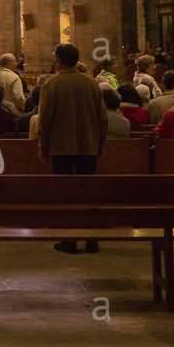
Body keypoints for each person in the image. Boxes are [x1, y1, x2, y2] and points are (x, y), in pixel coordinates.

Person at [38, 44, 106, 253]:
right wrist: (100, 143)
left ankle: (69, 239)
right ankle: (92, 238)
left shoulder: (52, 84)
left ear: (58, 60)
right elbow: (102, 118)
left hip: (61, 145)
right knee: (88, 193)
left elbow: (45, 119)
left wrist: (44, 145)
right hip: (88, 144)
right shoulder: (92, 84)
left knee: (65, 194)